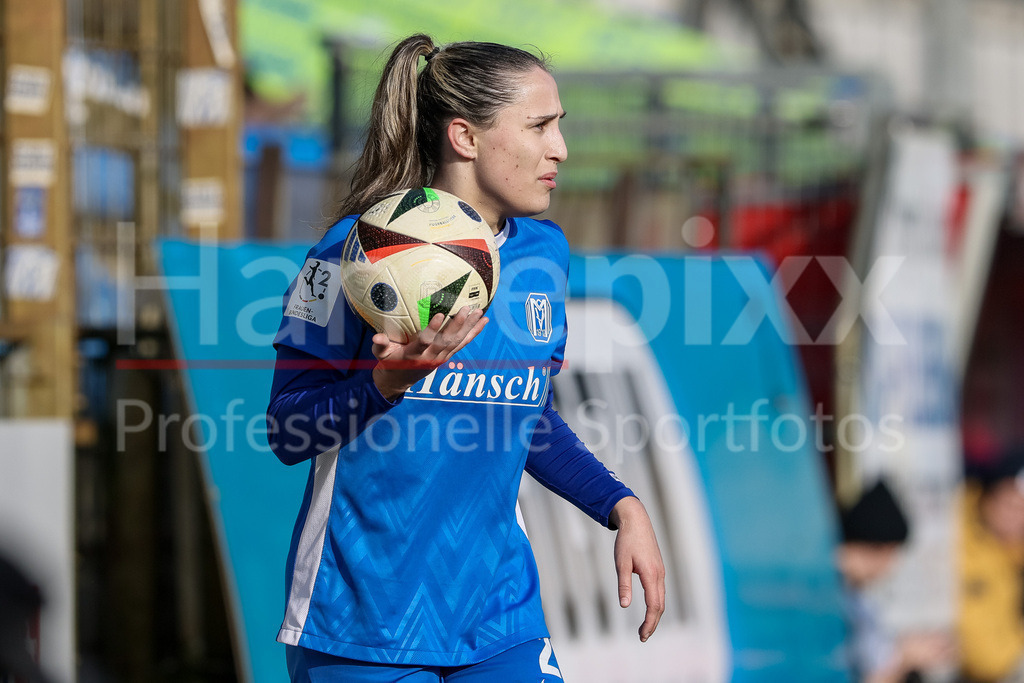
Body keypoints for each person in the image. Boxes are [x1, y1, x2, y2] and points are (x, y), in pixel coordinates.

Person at [266, 34, 666, 682]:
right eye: (539, 126)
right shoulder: (353, 254)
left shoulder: (544, 254)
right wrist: (382, 385)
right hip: (364, 629)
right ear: (465, 137)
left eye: (559, 126)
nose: (559, 148)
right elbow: (286, 429)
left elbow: (524, 414)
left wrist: (621, 505)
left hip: (498, 618)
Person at [837, 479, 956, 683]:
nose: (890, 566)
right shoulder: (830, 599)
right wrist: (904, 658)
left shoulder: (858, 598)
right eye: (889, 553)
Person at [959, 448, 1024, 683]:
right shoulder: (958, 538)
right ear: (988, 498)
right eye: (1011, 505)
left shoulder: (1012, 548)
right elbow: (983, 655)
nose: (1017, 516)